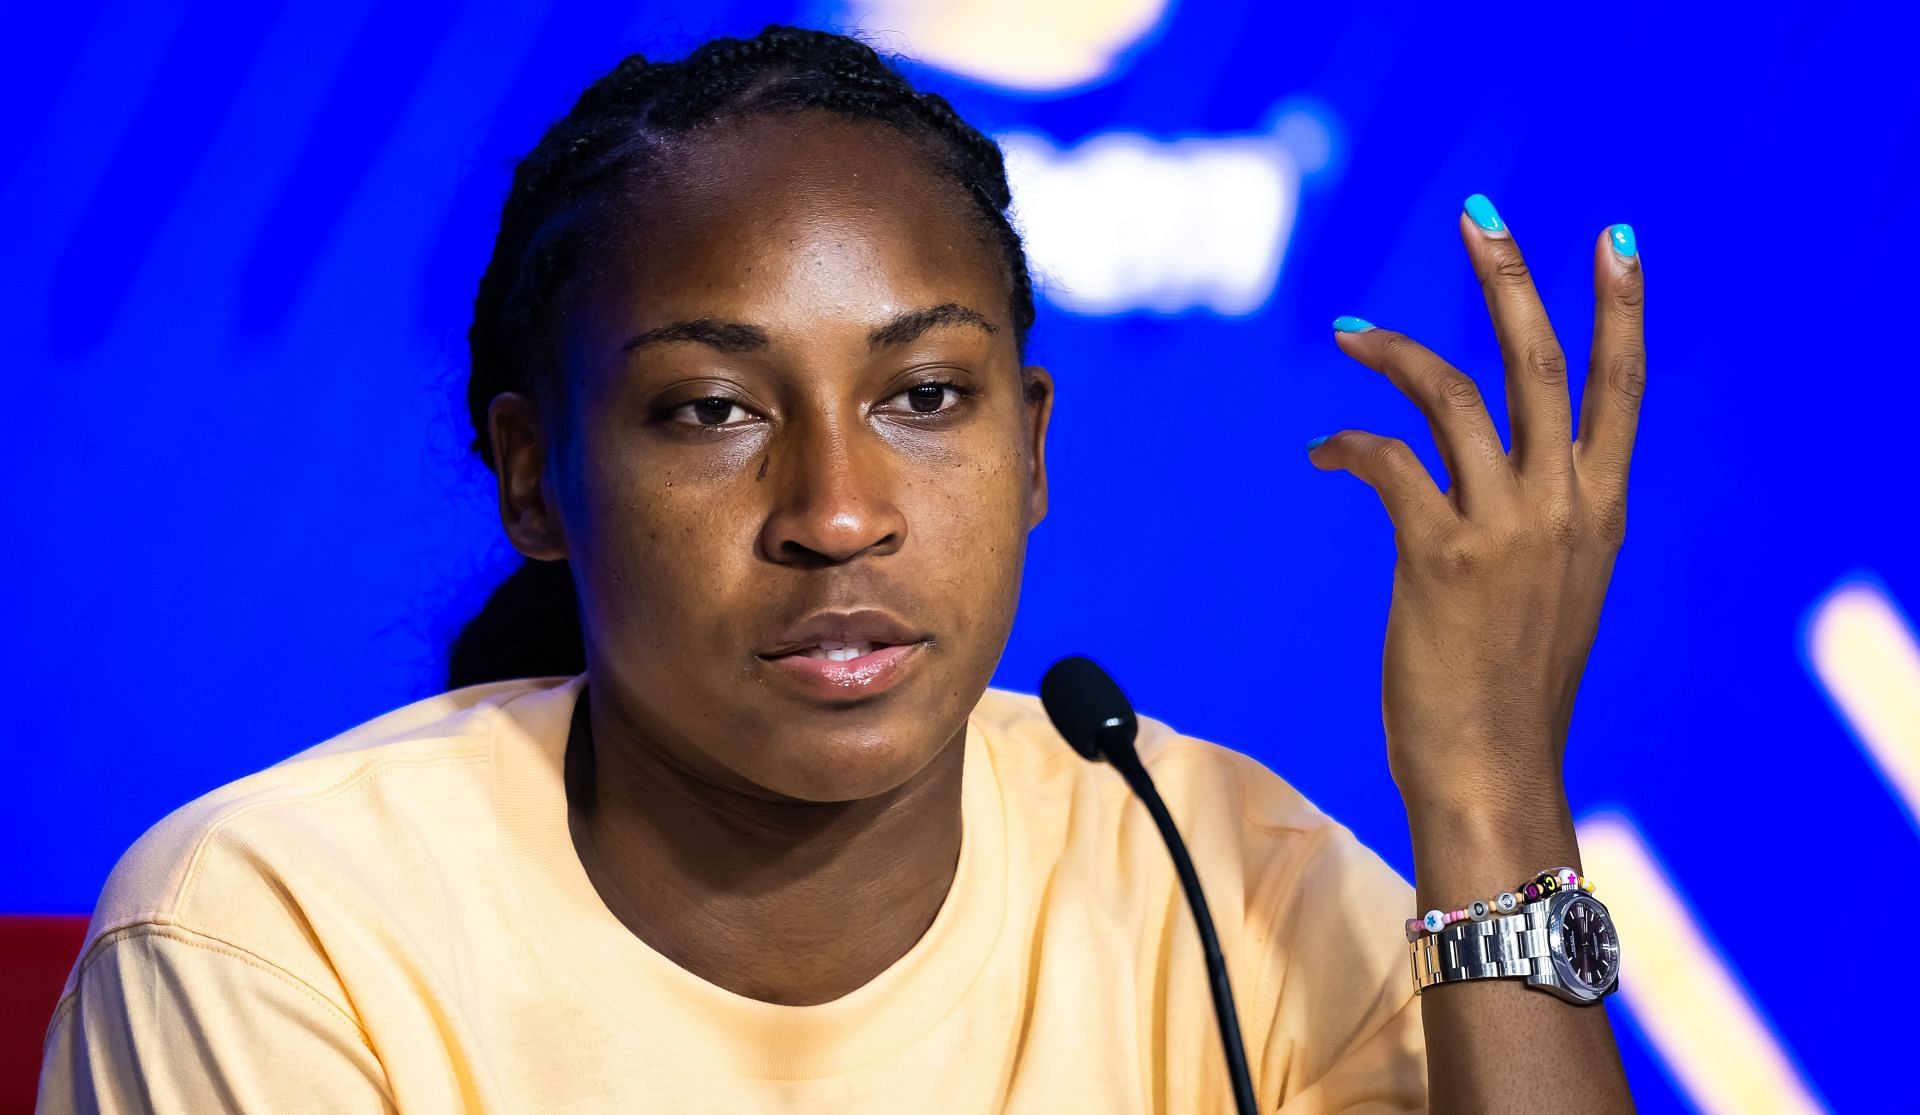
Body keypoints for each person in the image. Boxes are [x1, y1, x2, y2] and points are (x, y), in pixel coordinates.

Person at [37, 25, 1642, 1113]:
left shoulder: (1235, 886)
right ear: (536, 477)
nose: (837, 508)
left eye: (924, 397)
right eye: (713, 409)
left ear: (1031, 450)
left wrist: (1492, 793)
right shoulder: (276, 934)